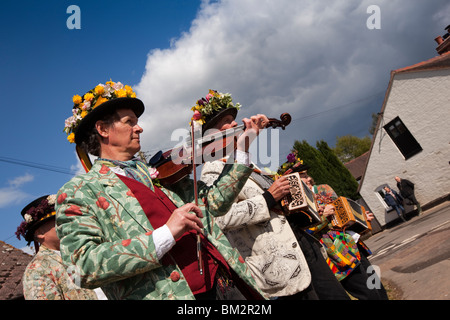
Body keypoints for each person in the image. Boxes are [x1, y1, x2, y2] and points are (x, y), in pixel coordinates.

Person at [56, 81, 267, 300]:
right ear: (102, 129)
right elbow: (81, 268)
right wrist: (166, 233)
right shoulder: (79, 191)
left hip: (224, 284)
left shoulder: (162, 172)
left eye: (137, 122)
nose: (140, 128)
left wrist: (242, 150)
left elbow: (215, 203)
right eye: (130, 122)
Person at [199, 93, 351, 300]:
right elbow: (220, 218)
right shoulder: (211, 169)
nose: (235, 123)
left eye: (233, 118)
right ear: (213, 134)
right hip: (279, 262)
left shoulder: (248, 164)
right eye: (227, 122)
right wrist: (269, 198)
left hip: (301, 245)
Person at [293, 169, 388, 300]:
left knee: (377, 287)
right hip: (338, 255)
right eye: (304, 181)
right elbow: (305, 232)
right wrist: (325, 216)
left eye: (308, 179)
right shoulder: (298, 208)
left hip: (352, 246)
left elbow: (343, 218)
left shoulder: (321, 192)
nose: (309, 182)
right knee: (368, 294)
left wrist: (362, 219)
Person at [16, 195, 103, 300]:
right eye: (58, 222)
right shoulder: (37, 270)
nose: (67, 224)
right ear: (39, 233)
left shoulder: (86, 248)